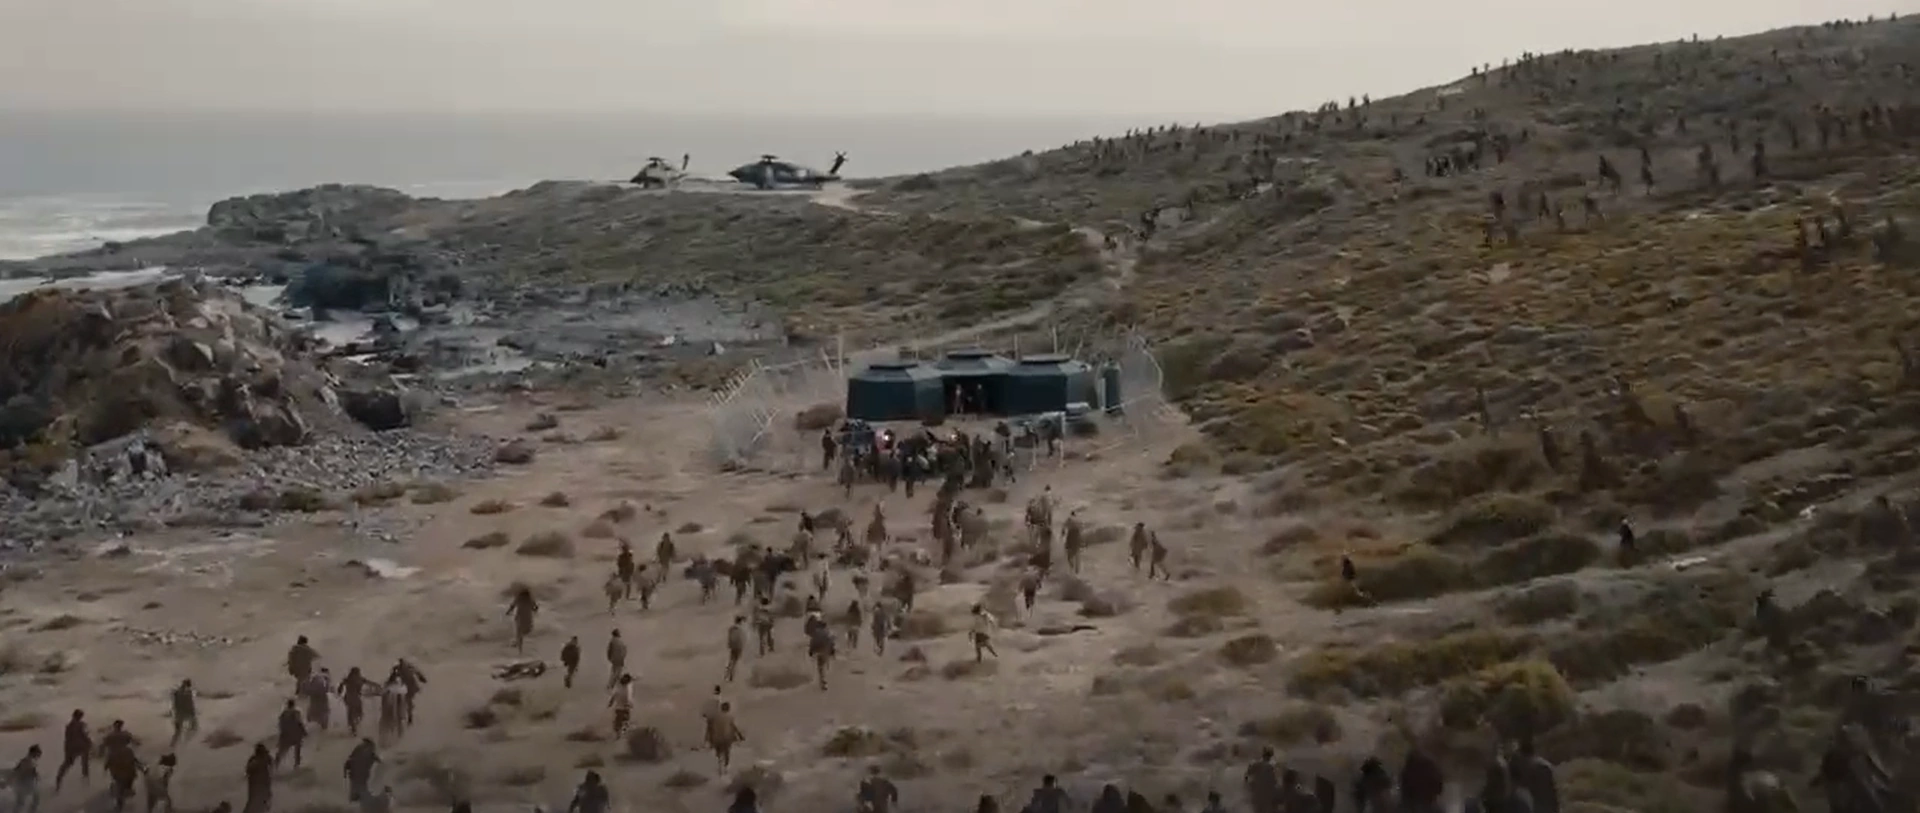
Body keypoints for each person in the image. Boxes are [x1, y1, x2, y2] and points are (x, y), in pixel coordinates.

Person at [54, 709, 91, 792]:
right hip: (80, 747)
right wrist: (89, 742)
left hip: (71, 747)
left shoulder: (69, 725)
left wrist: (67, 749)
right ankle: (86, 782)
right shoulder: (81, 724)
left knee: (67, 764)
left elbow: (67, 739)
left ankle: (58, 780)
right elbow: (84, 735)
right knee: (84, 763)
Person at [10, 745, 42, 813]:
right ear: (33, 752)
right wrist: (36, 776)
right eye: (38, 753)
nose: (38, 756)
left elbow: (15, 771)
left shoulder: (24, 760)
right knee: (35, 799)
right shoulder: (29, 761)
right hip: (25, 785)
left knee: (21, 802)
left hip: (20, 784)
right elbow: (33, 772)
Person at [168, 681, 198, 747]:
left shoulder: (177, 692)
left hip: (178, 714)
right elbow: (190, 704)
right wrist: (193, 712)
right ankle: (183, 742)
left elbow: (174, 704)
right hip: (185, 713)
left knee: (178, 731)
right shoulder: (187, 693)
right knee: (194, 728)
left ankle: (174, 744)